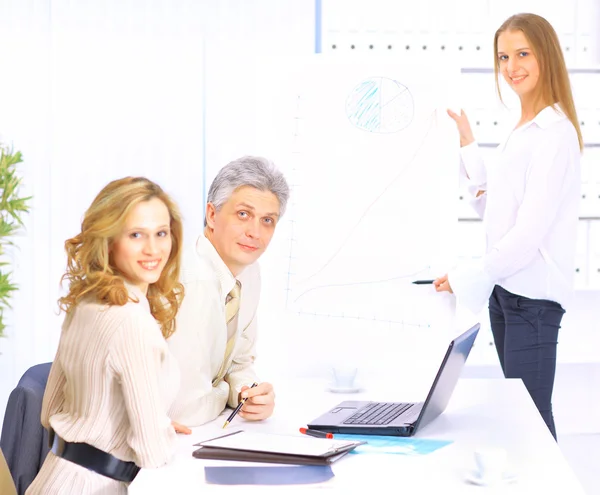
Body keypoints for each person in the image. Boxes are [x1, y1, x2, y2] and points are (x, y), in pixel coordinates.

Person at [434, 13, 583, 441]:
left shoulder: (554, 134)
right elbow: (497, 213)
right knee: (524, 419)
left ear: (546, 57)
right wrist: (466, 141)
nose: (512, 66)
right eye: (504, 57)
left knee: (532, 423)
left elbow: (528, 234)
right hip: (508, 296)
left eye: (523, 54)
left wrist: (465, 276)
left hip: (531, 302)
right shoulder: (522, 130)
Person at [27, 177, 189, 494]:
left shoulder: (85, 301)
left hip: (55, 478)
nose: (153, 249)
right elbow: (152, 453)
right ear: (110, 240)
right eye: (136, 235)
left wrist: (145, 424)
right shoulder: (132, 322)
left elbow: (49, 412)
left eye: (161, 233)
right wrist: (158, 433)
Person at [168, 156, 290, 426]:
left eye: (267, 220)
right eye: (243, 215)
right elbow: (182, 410)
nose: (255, 232)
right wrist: (226, 394)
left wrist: (248, 392)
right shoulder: (189, 283)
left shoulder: (249, 273)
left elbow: (238, 361)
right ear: (212, 215)